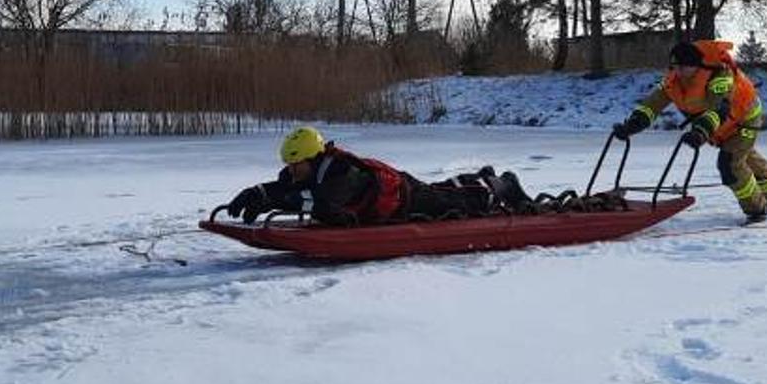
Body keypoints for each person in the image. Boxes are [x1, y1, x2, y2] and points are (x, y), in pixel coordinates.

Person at [612, 40, 767, 223]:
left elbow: (719, 109)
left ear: (697, 66)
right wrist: (632, 125)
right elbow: (652, 105)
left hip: (744, 119)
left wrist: (701, 131)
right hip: (720, 126)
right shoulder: (671, 81)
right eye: (675, 66)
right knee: (743, 156)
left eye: (684, 66)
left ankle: (757, 210)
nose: (679, 71)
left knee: (729, 163)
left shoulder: (720, 77)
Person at [222, 126, 537, 225]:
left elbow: (321, 203)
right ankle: (480, 175)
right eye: (290, 166)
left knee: (455, 201)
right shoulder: (305, 171)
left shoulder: (340, 173)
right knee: (443, 190)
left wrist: (279, 200)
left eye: (297, 165)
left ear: (312, 157)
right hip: (391, 194)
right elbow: (285, 188)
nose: (292, 171)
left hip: (402, 199)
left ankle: (501, 185)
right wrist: (258, 194)